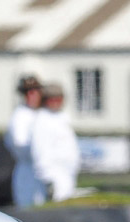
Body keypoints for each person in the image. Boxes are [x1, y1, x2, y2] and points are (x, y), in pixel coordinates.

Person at [31, 82, 80, 203]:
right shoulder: (42, 120)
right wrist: (49, 179)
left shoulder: (62, 117)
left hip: (67, 173)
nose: (55, 102)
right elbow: (39, 151)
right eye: (51, 99)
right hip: (54, 175)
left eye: (58, 98)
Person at [4, 76, 43, 207]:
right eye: (29, 92)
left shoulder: (42, 114)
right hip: (28, 168)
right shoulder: (20, 116)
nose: (33, 96)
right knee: (28, 206)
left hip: (41, 169)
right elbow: (19, 144)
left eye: (35, 91)